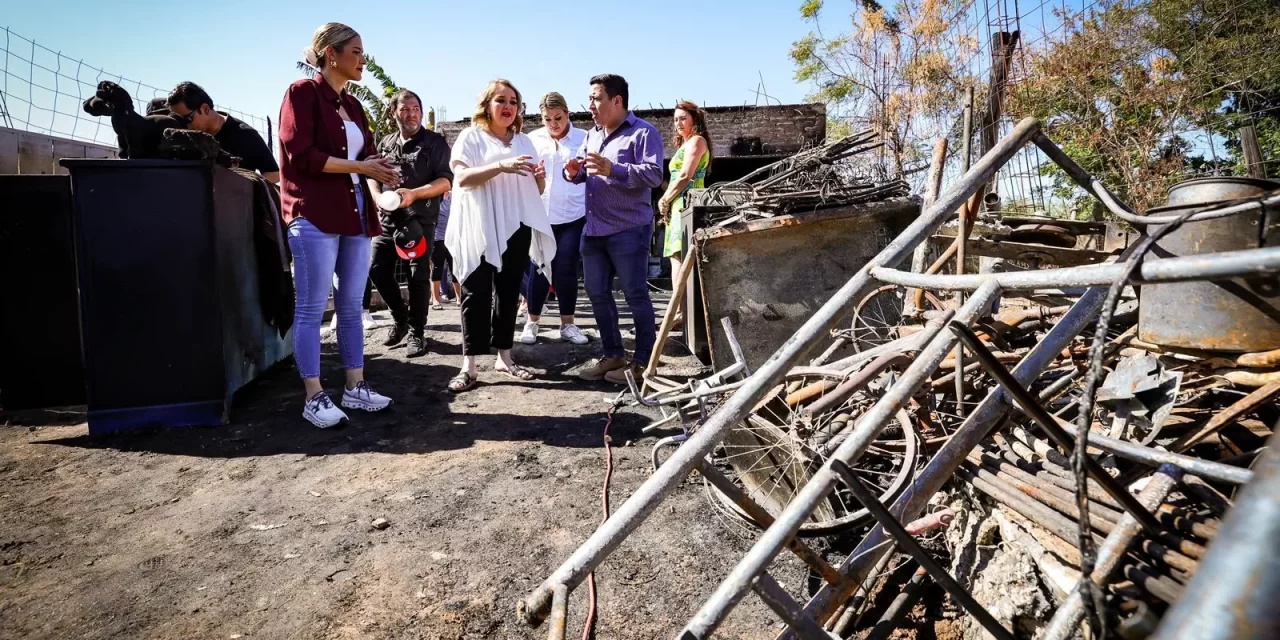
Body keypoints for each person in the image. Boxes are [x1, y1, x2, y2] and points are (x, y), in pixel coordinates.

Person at [278, 22, 400, 427]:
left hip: (353, 215)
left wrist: (380, 171)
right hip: (313, 213)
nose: (363, 59)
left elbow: (366, 154)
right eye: (357, 52)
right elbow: (301, 156)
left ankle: (355, 386)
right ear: (332, 54)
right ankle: (314, 396)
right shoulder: (302, 93)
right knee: (312, 308)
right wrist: (361, 166)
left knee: (350, 306)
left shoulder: (353, 106)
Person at [445, 78, 556, 393]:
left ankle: (505, 358)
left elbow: (535, 190)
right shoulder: (471, 137)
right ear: (487, 105)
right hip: (480, 224)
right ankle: (469, 366)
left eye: (513, 102)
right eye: (501, 100)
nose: (508, 107)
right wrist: (501, 166)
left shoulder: (524, 142)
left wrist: (540, 179)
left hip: (516, 225)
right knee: (475, 293)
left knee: (508, 293)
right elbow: (462, 177)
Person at [564, 74, 664, 384]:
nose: (590, 106)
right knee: (597, 293)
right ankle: (613, 354)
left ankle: (644, 364)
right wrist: (573, 173)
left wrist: (614, 169)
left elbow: (654, 175)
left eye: (596, 99)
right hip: (594, 230)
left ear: (617, 101)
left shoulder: (643, 133)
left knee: (635, 294)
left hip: (629, 229)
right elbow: (586, 173)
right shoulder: (592, 135)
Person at [367, 88, 453, 358]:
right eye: (405, 109)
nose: (411, 113)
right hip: (387, 219)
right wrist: (378, 196)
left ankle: (417, 331)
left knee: (417, 275)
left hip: (421, 218)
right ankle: (400, 318)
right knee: (377, 269)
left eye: (415, 108)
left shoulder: (435, 142)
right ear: (394, 113)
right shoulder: (385, 143)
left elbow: (445, 181)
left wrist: (414, 194)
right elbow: (371, 174)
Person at [520, 92, 590, 346]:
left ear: (568, 113)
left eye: (558, 118)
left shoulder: (584, 137)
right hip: (540, 214)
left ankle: (567, 324)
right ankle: (532, 321)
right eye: (548, 119)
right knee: (538, 268)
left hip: (573, 213)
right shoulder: (532, 139)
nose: (554, 124)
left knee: (565, 269)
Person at [656, 100, 712, 325]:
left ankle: (681, 312)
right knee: (676, 259)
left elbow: (685, 176)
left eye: (683, 118)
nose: (678, 123)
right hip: (677, 207)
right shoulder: (685, 143)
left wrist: (665, 198)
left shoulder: (697, 141)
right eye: (675, 119)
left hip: (688, 205)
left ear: (694, 120)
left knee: (681, 258)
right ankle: (679, 310)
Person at [167, 81, 280, 183]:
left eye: (187, 119)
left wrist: (245, 188)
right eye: (178, 120)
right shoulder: (185, 138)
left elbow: (274, 174)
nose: (183, 126)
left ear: (205, 109)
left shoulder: (244, 134)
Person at [430, 190, 460, 308]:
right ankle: (436, 299)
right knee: (437, 268)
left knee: (455, 268)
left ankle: (459, 298)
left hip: (454, 238)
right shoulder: (434, 198)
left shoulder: (455, 196)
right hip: (438, 238)